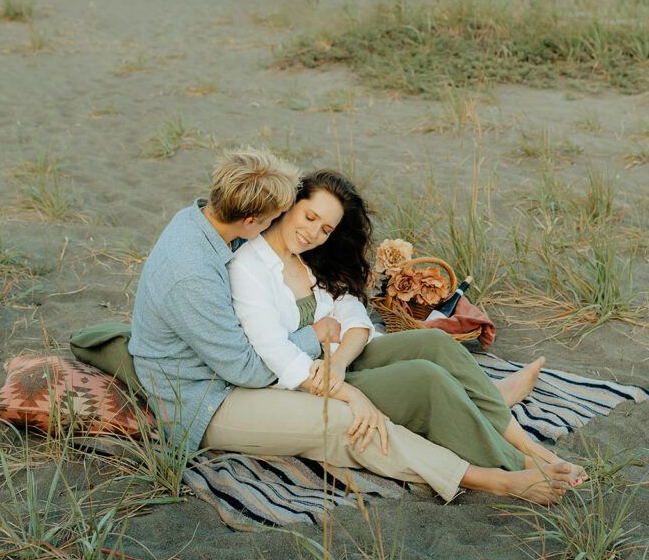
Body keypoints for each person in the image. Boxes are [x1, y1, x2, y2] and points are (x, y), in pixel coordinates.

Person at [129, 147, 580, 505]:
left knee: (429, 348)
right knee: (348, 420)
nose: (284, 224)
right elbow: (244, 368)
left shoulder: (202, 219)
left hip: (269, 364)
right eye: (278, 216)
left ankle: (494, 414)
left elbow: (338, 318)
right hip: (209, 397)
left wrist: (337, 357)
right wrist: (327, 351)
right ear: (253, 219)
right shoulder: (201, 271)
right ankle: (498, 477)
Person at [229, 168, 588, 488]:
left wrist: (339, 362)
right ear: (290, 205)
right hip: (306, 385)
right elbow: (276, 353)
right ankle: (518, 467)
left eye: (325, 229)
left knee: (434, 341)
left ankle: (529, 445)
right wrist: (334, 371)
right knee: (425, 379)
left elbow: (354, 319)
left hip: (337, 364)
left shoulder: (308, 257)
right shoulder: (249, 266)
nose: (313, 233)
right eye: (309, 217)